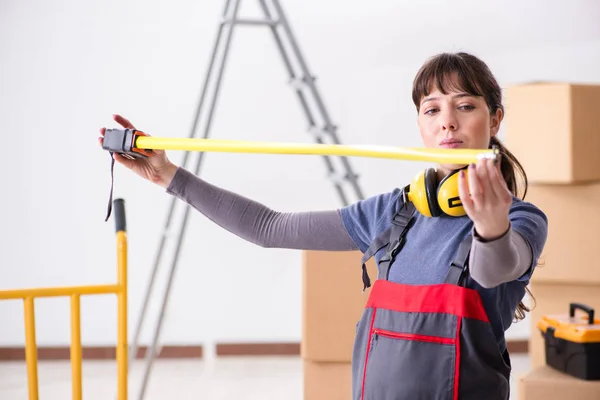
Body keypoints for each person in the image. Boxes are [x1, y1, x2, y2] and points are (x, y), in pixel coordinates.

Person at [99, 52, 548, 399]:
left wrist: (489, 227)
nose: (447, 121)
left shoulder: (520, 220)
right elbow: (269, 227)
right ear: (419, 125)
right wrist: (169, 177)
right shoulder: (396, 212)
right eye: (431, 110)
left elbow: (494, 268)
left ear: (495, 119)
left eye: (464, 105)